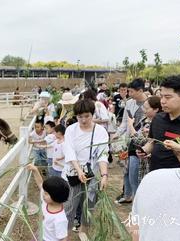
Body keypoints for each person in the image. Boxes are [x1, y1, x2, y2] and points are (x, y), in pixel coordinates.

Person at [63, 99, 109, 236]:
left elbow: (102, 155)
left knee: (88, 206)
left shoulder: (100, 131)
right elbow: (69, 152)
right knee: (70, 205)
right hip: (73, 174)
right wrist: (78, 171)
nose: (83, 120)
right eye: (80, 116)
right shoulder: (71, 130)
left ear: (93, 114)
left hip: (92, 175)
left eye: (87, 116)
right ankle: (65, 234)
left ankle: (84, 232)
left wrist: (104, 175)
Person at [130, 142, 180, 241]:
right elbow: (151, 142)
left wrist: (177, 147)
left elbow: (136, 227)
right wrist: (144, 149)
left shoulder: (151, 180)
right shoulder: (151, 180)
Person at [139, 75, 180, 170]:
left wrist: (178, 148)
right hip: (155, 174)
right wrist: (144, 150)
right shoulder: (158, 118)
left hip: (178, 179)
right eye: (161, 96)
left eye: (168, 97)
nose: (162, 101)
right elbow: (153, 141)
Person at [114, 78, 147, 204]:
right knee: (127, 170)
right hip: (130, 141)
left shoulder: (151, 103)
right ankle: (128, 195)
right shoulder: (129, 103)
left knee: (134, 171)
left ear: (140, 90)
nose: (129, 94)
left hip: (143, 142)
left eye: (132, 92)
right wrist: (117, 134)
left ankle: (136, 197)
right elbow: (124, 122)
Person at [26, 164, 69, 241]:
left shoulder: (60, 219)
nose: (43, 193)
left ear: (55, 196)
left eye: (46, 193)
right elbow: (40, 184)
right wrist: (35, 170)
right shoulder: (47, 201)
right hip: (41, 233)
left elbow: (63, 238)